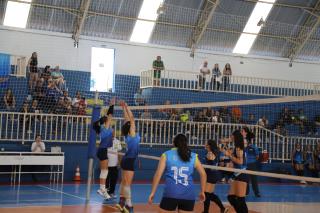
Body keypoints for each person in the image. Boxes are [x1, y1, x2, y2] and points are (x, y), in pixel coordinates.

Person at [148, 133, 206, 213]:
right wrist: (202, 191)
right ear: (186, 143)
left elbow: (158, 175)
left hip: (171, 194)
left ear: (173, 143)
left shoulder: (166, 155)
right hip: (188, 195)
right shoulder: (193, 156)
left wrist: (152, 192)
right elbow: (203, 174)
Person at [116, 101, 140, 213]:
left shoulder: (127, 134)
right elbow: (131, 118)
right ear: (130, 128)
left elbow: (127, 119)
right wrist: (127, 107)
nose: (133, 125)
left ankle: (121, 201)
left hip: (126, 160)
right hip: (129, 160)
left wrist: (124, 108)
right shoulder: (132, 135)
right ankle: (129, 205)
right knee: (127, 184)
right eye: (132, 125)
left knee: (124, 182)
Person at [92, 99, 115, 199]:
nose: (110, 121)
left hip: (102, 150)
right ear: (105, 122)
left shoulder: (102, 128)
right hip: (102, 150)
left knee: (104, 171)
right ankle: (102, 189)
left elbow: (108, 117)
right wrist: (112, 105)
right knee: (105, 171)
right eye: (108, 120)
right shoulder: (105, 128)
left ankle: (102, 189)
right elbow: (110, 115)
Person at [224, 130, 249, 213]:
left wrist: (229, 155)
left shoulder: (238, 148)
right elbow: (233, 157)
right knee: (231, 197)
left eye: (231, 136)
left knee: (240, 199)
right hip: (238, 174)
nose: (230, 137)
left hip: (241, 174)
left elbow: (240, 162)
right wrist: (227, 151)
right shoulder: (238, 147)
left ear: (235, 137)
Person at [203, 139, 226, 213]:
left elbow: (211, 164)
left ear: (209, 146)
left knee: (207, 194)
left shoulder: (210, 153)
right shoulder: (216, 152)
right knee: (209, 194)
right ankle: (222, 208)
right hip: (213, 175)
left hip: (210, 175)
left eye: (206, 144)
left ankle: (206, 211)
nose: (205, 145)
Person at [242, 127, 261, 197]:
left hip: (252, 165)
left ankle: (257, 193)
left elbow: (257, 156)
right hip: (245, 165)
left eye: (247, 141)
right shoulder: (244, 148)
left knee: (254, 179)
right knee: (246, 179)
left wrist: (252, 160)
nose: (246, 142)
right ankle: (246, 192)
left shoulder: (254, 147)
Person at [105, 130, 122, 198]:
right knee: (106, 179)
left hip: (115, 164)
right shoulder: (105, 141)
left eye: (113, 133)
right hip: (107, 164)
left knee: (114, 179)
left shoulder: (117, 141)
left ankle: (112, 192)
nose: (112, 134)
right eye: (111, 133)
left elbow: (119, 153)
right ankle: (106, 193)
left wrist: (119, 162)